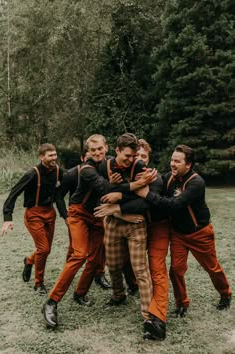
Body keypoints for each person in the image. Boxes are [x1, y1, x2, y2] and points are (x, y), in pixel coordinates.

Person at [42, 134, 154, 328]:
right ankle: (51, 302)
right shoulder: (86, 169)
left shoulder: (111, 163)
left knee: (96, 259)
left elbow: (118, 183)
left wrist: (130, 182)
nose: (97, 153)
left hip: (98, 216)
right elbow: (105, 187)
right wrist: (138, 184)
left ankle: (80, 293)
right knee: (79, 254)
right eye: (92, 150)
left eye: (100, 149)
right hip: (79, 213)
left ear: (107, 148)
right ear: (87, 152)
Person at [136, 144, 232, 319]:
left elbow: (174, 205)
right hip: (179, 234)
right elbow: (157, 184)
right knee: (176, 270)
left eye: (177, 161)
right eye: (172, 160)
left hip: (199, 234)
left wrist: (146, 195)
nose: (172, 164)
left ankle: (225, 293)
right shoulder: (169, 178)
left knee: (212, 267)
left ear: (188, 165)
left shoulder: (196, 183)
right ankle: (182, 304)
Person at [95, 138, 170, 341]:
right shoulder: (105, 165)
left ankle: (148, 316)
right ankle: (118, 294)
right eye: (127, 155)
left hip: (137, 224)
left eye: (135, 156)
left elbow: (144, 202)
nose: (132, 160)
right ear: (116, 150)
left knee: (140, 270)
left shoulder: (142, 169)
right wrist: (123, 198)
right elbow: (103, 194)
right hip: (112, 222)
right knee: (113, 264)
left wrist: (119, 199)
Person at [1, 143, 63, 295]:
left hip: (50, 213)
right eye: (50, 155)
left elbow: (72, 180)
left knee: (45, 250)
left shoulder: (58, 171)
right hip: (33, 214)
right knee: (44, 249)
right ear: (42, 157)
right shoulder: (32, 173)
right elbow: (13, 193)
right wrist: (7, 217)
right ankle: (39, 283)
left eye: (55, 155)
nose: (54, 158)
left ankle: (29, 260)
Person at [57, 148, 111, 289]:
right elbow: (58, 196)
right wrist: (66, 217)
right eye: (90, 156)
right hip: (77, 214)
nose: (95, 157)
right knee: (77, 252)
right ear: (83, 159)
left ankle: (99, 275)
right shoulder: (72, 174)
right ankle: (67, 277)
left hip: (96, 214)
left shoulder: (104, 167)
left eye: (99, 153)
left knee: (99, 249)